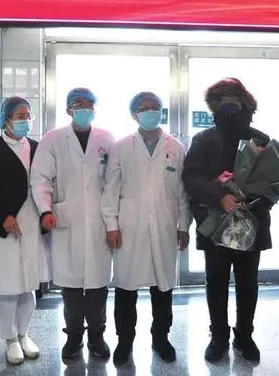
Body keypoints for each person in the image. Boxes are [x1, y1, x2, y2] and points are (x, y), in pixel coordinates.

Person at [182, 78, 273, 363]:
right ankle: (218, 336)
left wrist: (251, 202)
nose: (230, 106)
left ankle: (244, 335)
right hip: (214, 222)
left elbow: (275, 181)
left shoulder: (260, 139)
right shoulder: (203, 139)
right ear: (215, 105)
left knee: (248, 282)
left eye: (235, 100)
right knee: (216, 281)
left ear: (246, 103)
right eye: (224, 101)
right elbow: (191, 178)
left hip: (252, 222)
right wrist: (219, 196)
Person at [101, 92, 192, 365]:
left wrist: (184, 225)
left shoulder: (175, 147)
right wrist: (111, 225)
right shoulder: (121, 146)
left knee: (163, 288)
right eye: (144, 108)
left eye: (156, 107)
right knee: (126, 288)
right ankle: (124, 341)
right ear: (134, 114)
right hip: (130, 225)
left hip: (165, 225)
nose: (151, 111)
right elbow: (110, 190)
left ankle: (161, 338)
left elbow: (182, 192)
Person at [30, 87, 115, 360]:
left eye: (89, 104)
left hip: (99, 220)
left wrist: (114, 221)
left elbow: (114, 182)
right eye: (78, 104)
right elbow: (40, 178)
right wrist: (45, 210)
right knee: (71, 287)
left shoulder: (106, 138)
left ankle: (97, 336)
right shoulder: (53, 139)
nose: (84, 109)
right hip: (66, 219)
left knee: (98, 285)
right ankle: (74, 336)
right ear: (68, 109)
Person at [0, 97, 42, 365]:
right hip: (6, 226)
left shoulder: (37, 148)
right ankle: (10, 339)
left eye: (28, 115)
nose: (26, 120)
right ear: (6, 119)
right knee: (9, 287)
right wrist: (3, 215)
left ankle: (24, 334)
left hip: (32, 224)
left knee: (29, 286)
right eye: (19, 116)